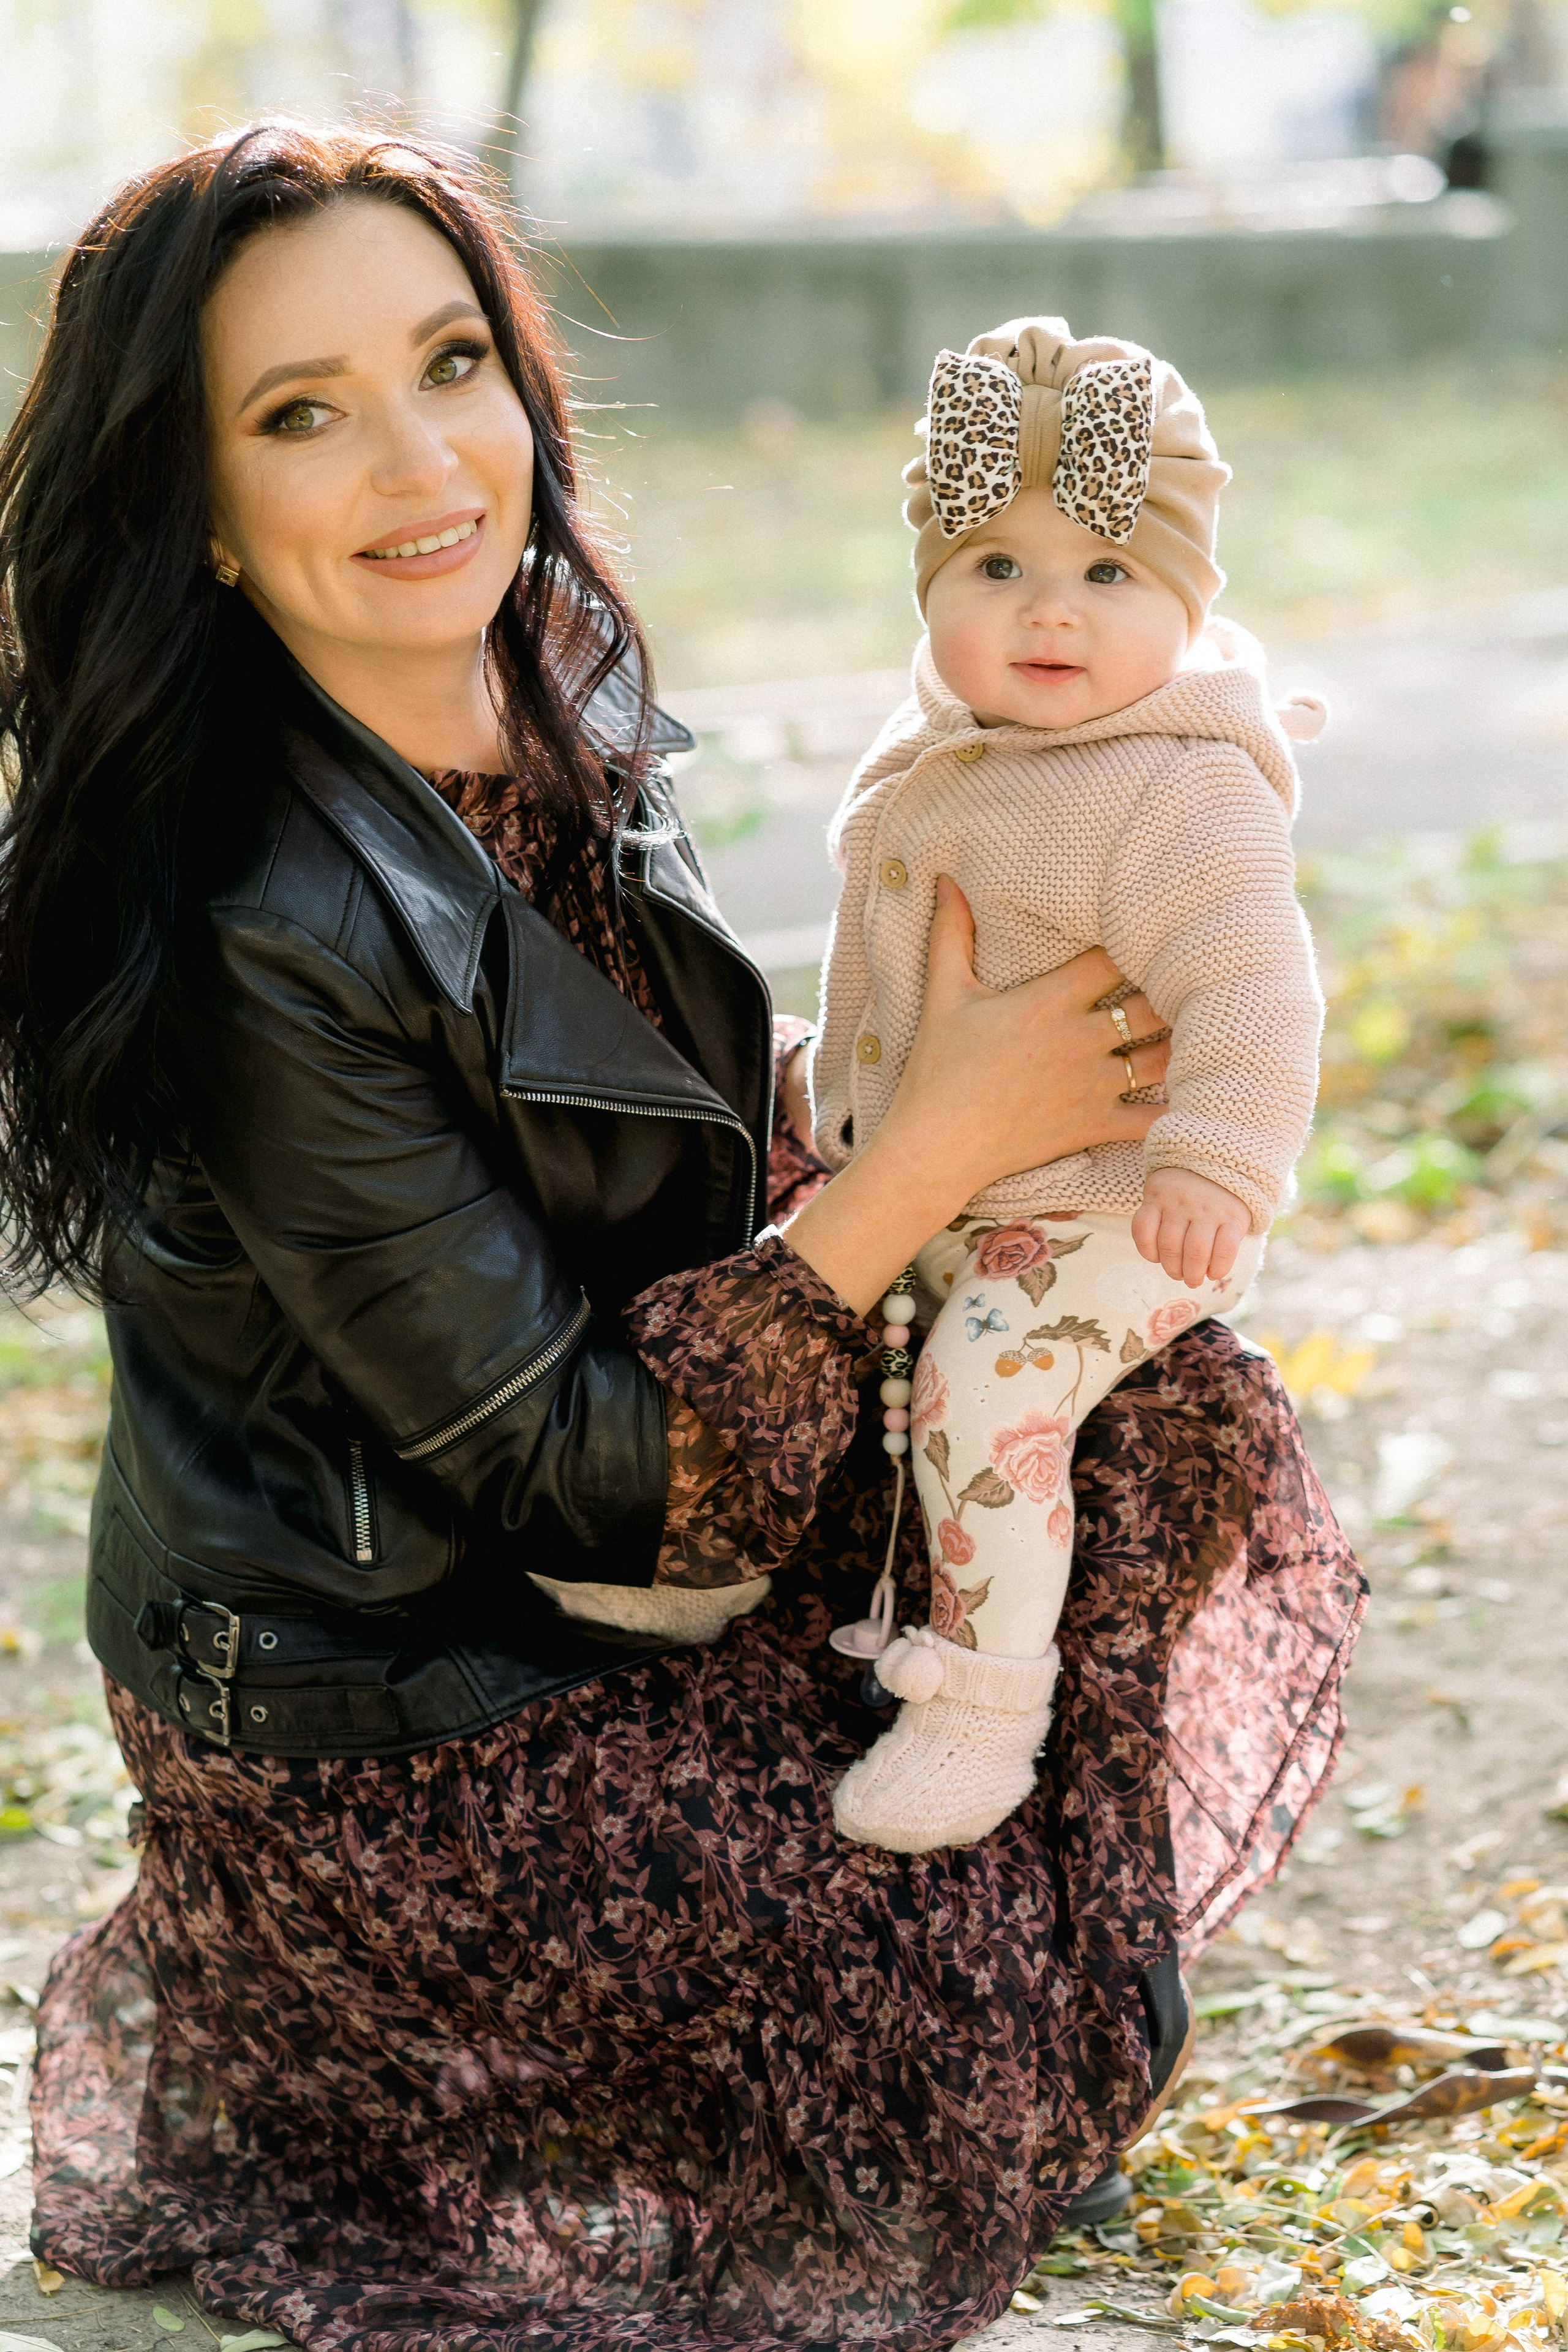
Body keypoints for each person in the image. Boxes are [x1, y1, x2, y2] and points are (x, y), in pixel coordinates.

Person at [0, 127, 1364, 2351]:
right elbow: (572, 1465)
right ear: (200, 510)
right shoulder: (251, 911)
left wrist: (912, 1096)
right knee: (907, 2077)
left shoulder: (549, 689)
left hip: (642, 1539)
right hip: (408, 1699)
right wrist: (936, 1151)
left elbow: (636, 1139)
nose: (425, 456)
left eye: (452, 361)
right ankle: (360, 2038)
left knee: (1153, 1398)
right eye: (299, 412)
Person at [804, 319, 1330, 1856]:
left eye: (1108, 575)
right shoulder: (951, 743)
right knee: (793, 1306)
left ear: (1186, 597)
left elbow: (1253, 984)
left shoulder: (1176, 787)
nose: (1051, 612)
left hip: (1119, 1207)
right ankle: (683, 1543)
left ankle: (979, 1705)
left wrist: (1214, 1161)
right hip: (950, 1169)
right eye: (995, 571)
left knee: (986, 1386)